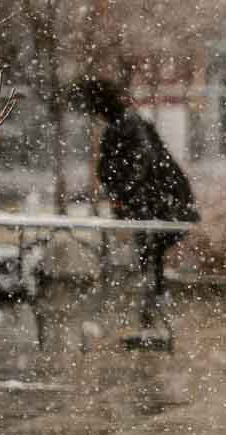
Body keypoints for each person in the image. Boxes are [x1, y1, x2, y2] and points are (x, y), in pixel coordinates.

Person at [66, 78, 199, 329]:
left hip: (159, 205)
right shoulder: (125, 126)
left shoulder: (128, 126)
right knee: (150, 256)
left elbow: (140, 164)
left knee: (150, 254)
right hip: (157, 204)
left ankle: (153, 311)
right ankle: (152, 311)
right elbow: (125, 167)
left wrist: (124, 194)